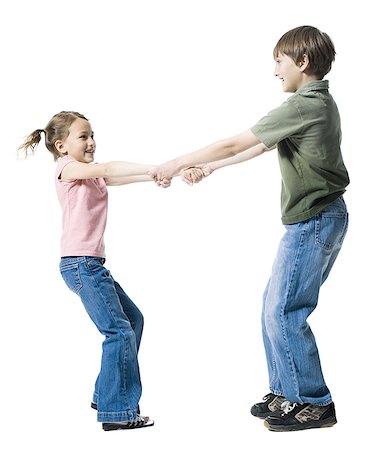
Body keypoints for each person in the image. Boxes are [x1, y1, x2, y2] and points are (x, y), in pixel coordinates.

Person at [150, 25, 349, 432]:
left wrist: (173, 163)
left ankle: (313, 402)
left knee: (284, 310)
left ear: (302, 62)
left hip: (314, 219)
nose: (275, 69)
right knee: (273, 307)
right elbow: (264, 144)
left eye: (279, 61)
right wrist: (210, 168)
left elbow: (235, 142)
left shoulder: (304, 103)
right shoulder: (314, 104)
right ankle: (286, 390)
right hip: (314, 219)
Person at [19, 111, 168, 431]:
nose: (91, 142)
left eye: (92, 135)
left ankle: (106, 394)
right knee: (119, 332)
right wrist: (152, 168)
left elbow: (116, 176)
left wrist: (156, 174)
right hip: (80, 264)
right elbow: (109, 168)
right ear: (61, 146)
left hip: (91, 265)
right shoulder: (67, 169)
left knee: (133, 320)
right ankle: (118, 413)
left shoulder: (88, 173)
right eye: (83, 136)